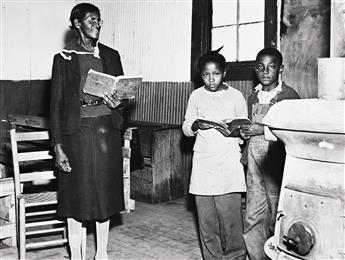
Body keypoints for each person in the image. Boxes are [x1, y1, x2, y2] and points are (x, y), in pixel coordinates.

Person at [50, 3, 125, 259]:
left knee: (104, 197)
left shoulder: (111, 55)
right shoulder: (63, 58)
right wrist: (58, 145)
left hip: (106, 130)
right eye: (91, 20)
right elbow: (56, 105)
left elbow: (122, 92)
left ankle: (101, 254)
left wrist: (120, 101)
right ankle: (76, 255)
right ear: (76, 23)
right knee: (76, 200)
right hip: (77, 133)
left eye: (99, 20)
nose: (97, 24)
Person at [182, 50, 247, 260]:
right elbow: (186, 127)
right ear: (200, 75)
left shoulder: (236, 96)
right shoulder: (196, 95)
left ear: (224, 73)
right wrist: (194, 124)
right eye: (206, 75)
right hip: (203, 163)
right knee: (207, 221)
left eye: (216, 74)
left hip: (228, 163)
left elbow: (244, 128)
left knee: (231, 221)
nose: (211, 79)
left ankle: (235, 256)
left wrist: (236, 130)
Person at [240, 48, 300, 260]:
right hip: (254, 165)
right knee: (252, 216)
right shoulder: (252, 97)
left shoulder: (289, 96)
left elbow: (293, 132)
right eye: (260, 67)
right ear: (255, 69)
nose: (265, 71)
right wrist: (245, 131)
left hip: (277, 165)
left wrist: (262, 129)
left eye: (271, 66)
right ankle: (256, 256)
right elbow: (248, 126)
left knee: (277, 217)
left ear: (280, 69)